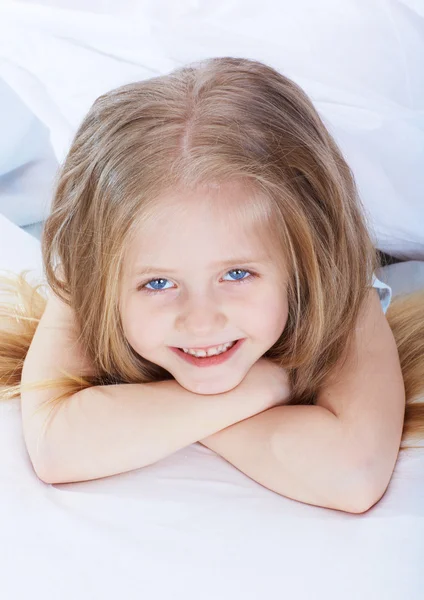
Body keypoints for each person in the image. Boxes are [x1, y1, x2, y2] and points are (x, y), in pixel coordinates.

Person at [1, 57, 423, 512]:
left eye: (237, 275)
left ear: (302, 266)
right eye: (159, 283)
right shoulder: (91, 274)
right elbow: (55, 446)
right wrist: (264, 386)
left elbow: (353, 474)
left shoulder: (337, 285)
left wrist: (155, 417)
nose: (202, 322)